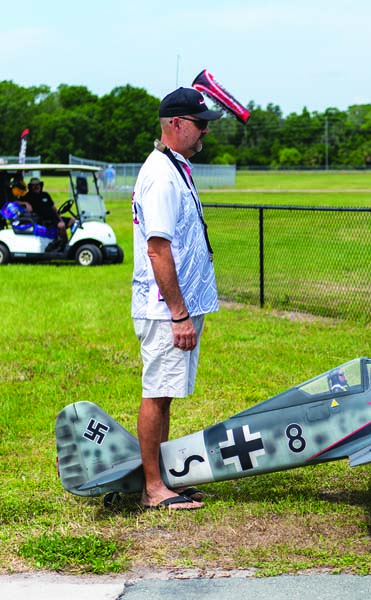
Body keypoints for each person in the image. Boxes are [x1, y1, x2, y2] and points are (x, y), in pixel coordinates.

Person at [131, 87, 222, 510]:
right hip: (166, 310)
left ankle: (161, 478)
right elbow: (158, 249)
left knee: (165, 393)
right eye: (201, 124)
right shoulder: (162, 175)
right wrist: (179, 314)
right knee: (157, 393)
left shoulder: (175, 166)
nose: (205, 131)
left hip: (175, 307)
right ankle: (153, 489)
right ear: (177, 125)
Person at [23, 177, 72, 250]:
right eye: (34, 185)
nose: (36, 187)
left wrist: (60, 218)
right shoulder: (28, 196)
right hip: (43, 220)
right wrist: (25, 203)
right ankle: (66, 246)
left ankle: (69, 242)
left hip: (53, 218)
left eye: (38, 185)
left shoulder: (45, 195)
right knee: (61, 226)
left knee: (73, 221)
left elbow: (54, 208)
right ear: (30, 187)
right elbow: (15, 202)